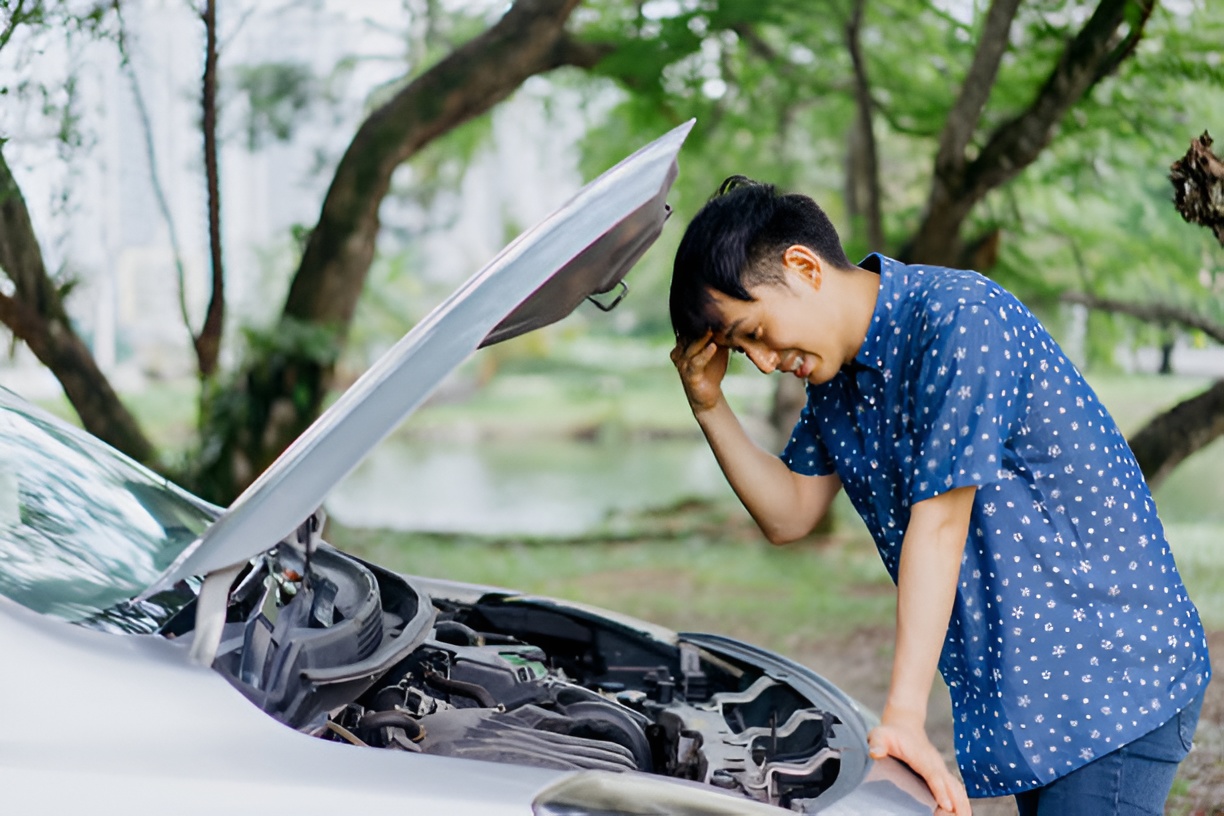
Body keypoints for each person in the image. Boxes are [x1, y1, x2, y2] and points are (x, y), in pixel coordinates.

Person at [668, 176, 1211, 815]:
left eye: (754, 331)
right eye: (740, 350)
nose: (760, 362)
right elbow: (791, 513)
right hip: (1038, 706)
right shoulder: (838, 383)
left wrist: (903, 715)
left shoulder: (959, 320)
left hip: (1113, 679)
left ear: (803, 266)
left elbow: (940, 524)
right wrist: (709, 405)